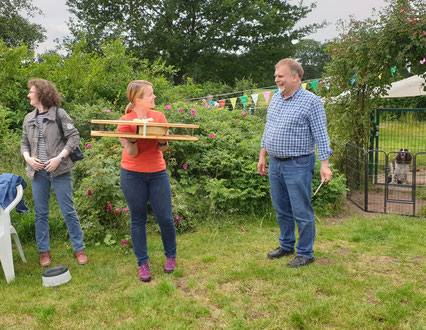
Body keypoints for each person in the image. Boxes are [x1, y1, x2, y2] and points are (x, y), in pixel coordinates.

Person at [257, 58, 333, 268]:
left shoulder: (311, 102)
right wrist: (263, 155)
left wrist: (324, 164)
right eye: (276, 76)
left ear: (294, 77)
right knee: (281, 210)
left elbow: (321, 135)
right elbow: (268, 129)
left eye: (280, 76)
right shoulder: (275, 99)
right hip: (275, 164)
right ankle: (286, 245)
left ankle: (306, 253)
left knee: (301, 211)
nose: (276, 80)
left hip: (298, 165)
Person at [21, 78, 87, 267]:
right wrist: (28, 158)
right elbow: (24, 143)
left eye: (31, 92)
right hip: (38, 173)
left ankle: (79, 249)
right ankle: (44, 252)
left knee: (68, 211)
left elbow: (73, 137)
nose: (28, 95)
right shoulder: (28, 118)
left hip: (60, 171)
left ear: (41, 94)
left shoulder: (59, 114)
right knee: (40, 213)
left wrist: (60, 157)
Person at [118, 80, 177, 282]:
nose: (154, 97)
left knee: (166, 218)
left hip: (157, 173)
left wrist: (162, 139)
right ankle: (142, 262)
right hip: (132, 174)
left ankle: (171, 256)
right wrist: (134, 138)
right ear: (137, 99)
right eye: (150, 95)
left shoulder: (159, 117)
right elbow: (132, 153)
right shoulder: (125, 121)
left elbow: (163, 148)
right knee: (138, 219)